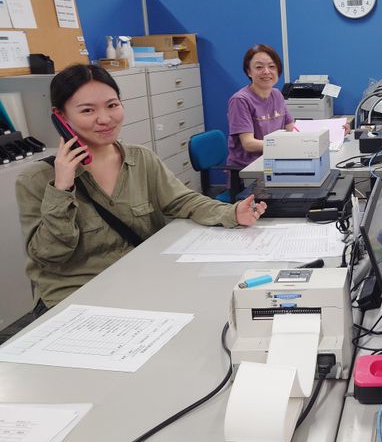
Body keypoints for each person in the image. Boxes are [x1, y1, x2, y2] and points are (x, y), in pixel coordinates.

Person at [16, 64, 267, 314]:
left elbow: (183, 201)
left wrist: (231, 213)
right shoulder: (36, 178)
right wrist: (62, 188)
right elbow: (49, 255)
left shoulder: (141, 159)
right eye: (87, 110)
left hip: (139, 282)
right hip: (76, 299)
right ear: (60, 116)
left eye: (112, 105)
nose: (105, 119)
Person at [227, 44, 295, 169]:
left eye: (272, 66)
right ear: (249, 72)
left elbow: (291, 128)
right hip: (249, 168)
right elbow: (248, 144)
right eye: (259, 67)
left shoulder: (277, 94)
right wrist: (282, 145)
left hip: (275, 160)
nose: (266, 71)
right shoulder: (240, 100)